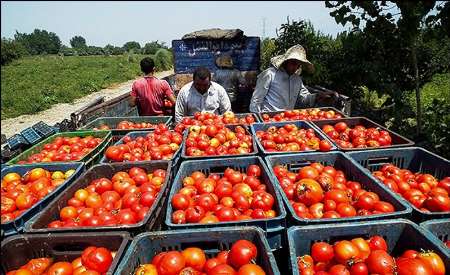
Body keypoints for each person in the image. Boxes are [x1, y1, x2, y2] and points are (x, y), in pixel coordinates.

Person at [249, 44, 336, 113]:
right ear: (286, 61)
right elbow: (256, 100)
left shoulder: (297, 80)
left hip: (287, 121)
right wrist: (258, 120)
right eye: (293, 64)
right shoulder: (270, 74)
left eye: (298, 66)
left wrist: (318, 96)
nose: (295, 68)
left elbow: (304, 99)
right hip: (269, 118)